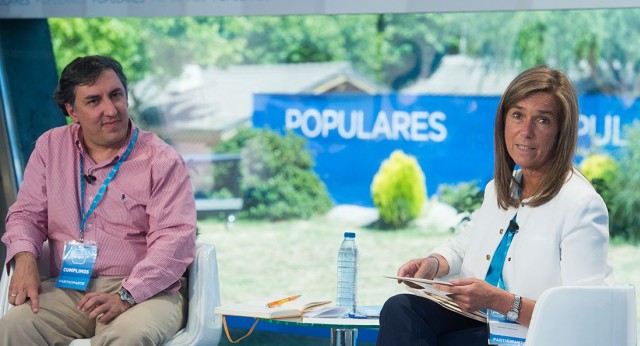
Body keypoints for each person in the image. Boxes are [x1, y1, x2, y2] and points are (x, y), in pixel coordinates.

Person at [376, 66, 614, 346]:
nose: (526, 132)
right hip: (480, 320)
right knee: (401, 309)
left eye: (543, 120)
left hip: (530, 335)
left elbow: (584, 315)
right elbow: (466, 244)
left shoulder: (581, 205)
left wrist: (500, 301)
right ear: (503, 121)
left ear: (562, 132)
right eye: (517, 115)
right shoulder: (500, 189)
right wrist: (433, 264)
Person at [0, 55, 196, 345]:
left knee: (127, 336)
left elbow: (174, 239)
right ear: (72, 110)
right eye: (93, 101)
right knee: (13, 327)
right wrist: (25, 259)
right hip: (69, 288)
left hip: (146, 290)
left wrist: (126, 295)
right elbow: (26, 215)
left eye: (115, 95)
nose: (111, 109)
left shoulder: (161, 159)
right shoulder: (50, 147)